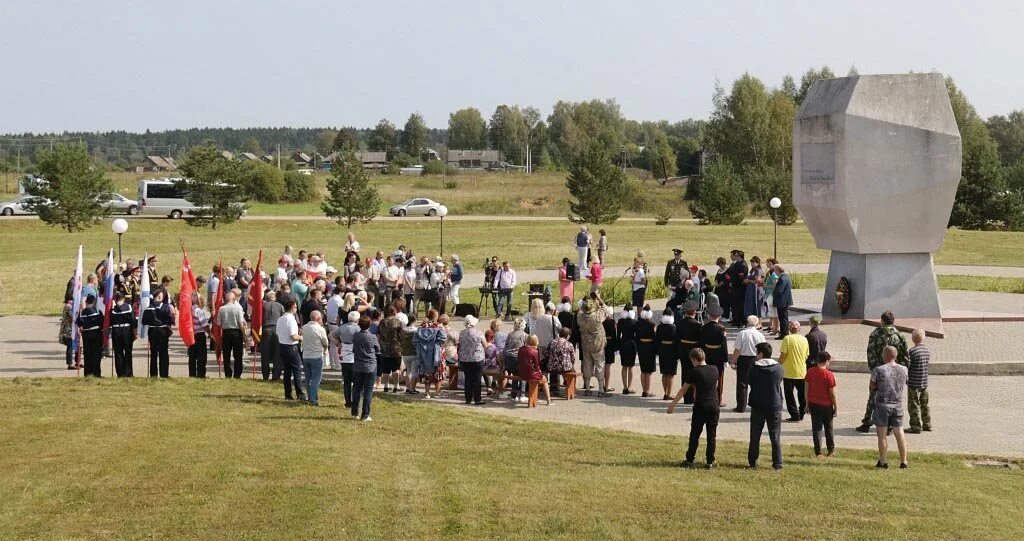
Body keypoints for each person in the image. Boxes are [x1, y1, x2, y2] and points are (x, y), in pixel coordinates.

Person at [857, 311, 910, 432]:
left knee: (873, 397)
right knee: (892, 398)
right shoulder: (900, 336)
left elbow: (870, 353)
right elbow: (905, 356)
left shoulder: (875, 334)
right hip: (895, 372)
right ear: (893, 321)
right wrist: (901, 371)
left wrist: (874, 369)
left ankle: (867, 422)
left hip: (879, 371)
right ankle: (890, 425)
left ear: (882, 320)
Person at [668, 349, 721, 469]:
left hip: (701, 405)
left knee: (695, 434)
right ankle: (710, 461)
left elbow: (683, 389)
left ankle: (690, 459)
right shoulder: (715, 369)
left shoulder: (694, 372)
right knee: (711, 435)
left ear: (694, 359)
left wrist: (673, 404)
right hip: (714, 405)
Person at [747, 341, 784, 470]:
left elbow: (749, 381)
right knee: (775, 436)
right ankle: (777, 463)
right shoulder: (778, 368)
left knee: (755, 435)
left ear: (761, 354)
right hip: (774, 405)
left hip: (758, 405)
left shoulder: (754, 368)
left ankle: (752, 461)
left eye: (757, 353)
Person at [871, 346, 910, 469]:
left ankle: (883, 461)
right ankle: (904, 461)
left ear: (885, 356)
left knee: (881, 435)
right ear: (895, 356)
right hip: (898, 404)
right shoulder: (904, 369)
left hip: (882, 405)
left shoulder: (878, 369)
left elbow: (872, 386)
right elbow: (906, 382)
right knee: (899, 433)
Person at [730, 315, 766, 413]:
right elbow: (764, 350)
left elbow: (737, 349)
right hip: (756, 359)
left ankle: (741, 406)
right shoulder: (760, 335)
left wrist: (733, 361)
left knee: (742, 384)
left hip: (743, 359)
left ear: (747, 323)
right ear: (757, 324)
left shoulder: (742, 333)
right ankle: (756, 405)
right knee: (756, 383)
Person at [806, 351, 838, 457]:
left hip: (813, 403)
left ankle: (818, 451)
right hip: (826, 405)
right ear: (827, 361)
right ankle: (831, 450)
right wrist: (835, 407)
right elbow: (832, 393)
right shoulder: (829, 375)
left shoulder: (810, 371)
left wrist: (807, 404)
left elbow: (806, 389)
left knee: (816, 428)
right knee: (828, 428)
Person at [577, 298, 608, 397]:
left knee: (587, 365)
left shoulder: (580, 317)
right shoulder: (598, 316)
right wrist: (598, 300)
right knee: (599, 365)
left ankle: (587, 388)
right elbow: (605, 309)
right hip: (597, 345)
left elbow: (580, 310)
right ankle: (601, 389)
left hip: (586, 344)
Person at [351, 316, 381, 421]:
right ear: (369, 325)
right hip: (370, 366)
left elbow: (354, 349)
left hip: (358, 365)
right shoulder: (372, 337)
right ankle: (365, 414)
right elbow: (378, 349)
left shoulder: (355, 336)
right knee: (368, 391)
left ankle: (354, 412)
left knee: (357, 389)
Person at [779, 321, 809, 421]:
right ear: (799, 329)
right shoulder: (804, 339)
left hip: (788, 372)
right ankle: (801, 413)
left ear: (789, 329)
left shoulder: (787, 339)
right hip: (801, 371)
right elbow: (806, 355)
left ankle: (794, 415)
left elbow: (783, 355)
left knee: (789, 395)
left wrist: (778, 364)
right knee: (802, 394)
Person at [413, 309, 447, 399]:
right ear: (436, 316)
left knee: (426, 373)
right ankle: (437, 393)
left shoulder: (421, 327)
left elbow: (415, 341)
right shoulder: (439, 326)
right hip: (436, 353)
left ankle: (427, 393)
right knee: (437, 373)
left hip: (423, 354)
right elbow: (443, 339)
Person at [699, 305, 729, 406]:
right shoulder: (721, 328)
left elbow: (701, 342)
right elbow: (724, 345)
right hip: (718, 356)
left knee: (706, 377)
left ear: (709, 316)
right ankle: (718, 399)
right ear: (719, 316)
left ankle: (705, 397)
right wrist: (725, 359)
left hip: (707, 354)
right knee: (719, 378)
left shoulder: (704, 328)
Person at [276, 299, 305, 401]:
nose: (296, 309)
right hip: (291, 346)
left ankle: (288, 394)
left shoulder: (280, 319)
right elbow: (293, 336)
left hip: (282, 346)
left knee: (287, 372)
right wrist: (302, 337)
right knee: (296, 371)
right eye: (296, 307)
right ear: (292, 307)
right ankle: (300, 393)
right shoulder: (291, 319)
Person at [674, 302, 702, 404]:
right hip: (694, 352)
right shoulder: (698, 325)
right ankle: (693, 396)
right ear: (694, 312)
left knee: (684, 374)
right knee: (695, 374)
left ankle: (686, 397)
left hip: (683, 350)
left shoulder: (680, 323)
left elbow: (677, 338)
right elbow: (700, 340)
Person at [142, 289, 174, 378]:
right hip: (163, 331)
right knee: (163, 352)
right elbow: (171, 320)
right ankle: (164, 374)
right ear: (159, 297)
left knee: (154, 353)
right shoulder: (166, 307)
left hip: (152, 331)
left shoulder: (149, 308)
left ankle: (153, 374)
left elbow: (144, 321)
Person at [331, 311, 361, 406]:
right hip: (354, 354)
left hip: (344, 354)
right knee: (356, 380)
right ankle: (355, 400)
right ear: (357, 319)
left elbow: (331, 335)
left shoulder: (343, 327)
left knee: (346, 380)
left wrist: (338, 343)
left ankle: (347, 401)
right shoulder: (358, 328)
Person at [301, 310, 329, 406]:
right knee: (316, 379)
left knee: (308, 378)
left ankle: (310, 397)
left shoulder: (304, 327)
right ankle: (313, 399)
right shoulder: (320, 329)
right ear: (318, 319)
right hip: (316, 356)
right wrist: (325, 349)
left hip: (305, 355)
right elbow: (325, 342)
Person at [906, 329, 932, 434]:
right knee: (925, 404)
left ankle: (915, 426)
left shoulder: (911, 352)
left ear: (912, 339)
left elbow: (908, 366)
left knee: (913, 405)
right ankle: (927, 424)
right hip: (924, 382)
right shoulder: (927, 350)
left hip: (913, 382)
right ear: (924, 338)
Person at [217, 290, 247, 378]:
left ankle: (228, 373)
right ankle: (237, 374)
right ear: (234, 299)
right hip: (237, 332)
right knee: (238, 355)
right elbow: (241, 323)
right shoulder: (238, 308)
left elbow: (219, 323)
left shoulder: (221, 309)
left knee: (226, 354)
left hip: (226, 333)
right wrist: (244, 335)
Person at [458, 315, 486, 405]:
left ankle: (468, 399)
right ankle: (477, 399)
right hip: (477, 358)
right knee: (477, 379)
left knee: (468, 379)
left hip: (465, 359)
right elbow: (485, 345)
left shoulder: (462, 333)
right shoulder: (479, 333)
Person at [518, 334, 552, 406]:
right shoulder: (535, 351)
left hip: (521, 373)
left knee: (535, 379)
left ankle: (534, 398)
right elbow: (537, 365)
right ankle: (549, 400)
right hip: (531, 374)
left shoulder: (521, 349)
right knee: (545, 380)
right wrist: (540, 372)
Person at [109, 291, 137, 377]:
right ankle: (128, 373)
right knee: (128, 352)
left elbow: (110, 321)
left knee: (118, 353)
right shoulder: (128, 307)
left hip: (116, 331)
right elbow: (132, 320)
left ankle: (120, 373)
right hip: (126, 331)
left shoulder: (112, 309)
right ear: (124, 298)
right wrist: (134, 330)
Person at [76, 294, 104, 377]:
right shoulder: (98, 311)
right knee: (97, 354)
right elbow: (102, 323)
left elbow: (79, 323)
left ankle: (88, 373)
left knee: (88, 354)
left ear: (86, 301)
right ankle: (96, 373)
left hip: (86, 334)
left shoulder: (82, 312)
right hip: (96, 333)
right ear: (94, 302)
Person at [502, 319, 529, 402]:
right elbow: (527, 348)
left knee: (515, 375)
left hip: (508, 357)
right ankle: (522, 394)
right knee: (523, 375)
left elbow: (505, 346)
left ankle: (514, 395)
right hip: (517, 358)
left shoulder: (510, 335)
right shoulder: (525, 335)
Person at [261, 290, 285, 380]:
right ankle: (276, 375)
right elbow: (283, 319)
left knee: (265, 354)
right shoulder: (280, 306)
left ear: (266, 298)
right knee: (277, 354)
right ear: (274, 298)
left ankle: (265, 375)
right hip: (277, 330)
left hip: (265, 330)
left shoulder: (263, 306)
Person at [655, 308, 677, 400]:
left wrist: (657, 351)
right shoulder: (674, 327)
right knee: (670, 374)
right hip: (672, 351)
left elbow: (657, 339)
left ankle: (665, 392)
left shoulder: (660, 327)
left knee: (664, 373)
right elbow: (677, 340)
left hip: (662, 350)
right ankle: (669, 393)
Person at [616, 305, 638, 395]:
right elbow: (637, 335)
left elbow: (618, 336)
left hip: (623, 344)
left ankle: (624, 387)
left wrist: (617, 346)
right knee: (631, 367)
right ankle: (630, 387)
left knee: (624, 366)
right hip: (632, 345)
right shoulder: (634, 322)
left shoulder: (620, 321)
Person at [636, 306, 657, 397]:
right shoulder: (652, 324)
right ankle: (647, 391)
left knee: (643, 370)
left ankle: (644, 390)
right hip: (650, 348)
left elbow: (636, 337)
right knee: (649, 371)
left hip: (641, 347)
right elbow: (655, 338)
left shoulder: (638, 324)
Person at [188, 296, 210, 378]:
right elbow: (204, 325)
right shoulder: (199, 311)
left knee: (192, 356)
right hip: (200, 335)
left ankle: (192, 374)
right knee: (201, 356)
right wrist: (210, 334)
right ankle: (201, 374)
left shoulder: (189, 310)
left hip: (191, 334)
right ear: (200, 302)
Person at [725, 250, 748, 327]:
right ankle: (737, 320)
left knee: (740, 306)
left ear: (739, 256)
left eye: (737, 255)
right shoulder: (738, 264)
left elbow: (741, 277)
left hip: (740, 288)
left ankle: (742, 321)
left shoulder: (743, 265)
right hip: (736, 287)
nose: (735, 257)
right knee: (736, 305)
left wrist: (733, 282)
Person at [772, 264, 793, 339]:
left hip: (782, 301)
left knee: (782, 318)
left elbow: (779, 290)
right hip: (784, 301)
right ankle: (784, 332)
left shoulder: (782, 278)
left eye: (775, 270)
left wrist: (774, 290)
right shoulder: (785, 276)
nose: (774, 271)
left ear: (778, 270)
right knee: (783, 317)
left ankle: (784, 333)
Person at [601, 306, 617, 392]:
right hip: (610, 344)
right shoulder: (612, 321)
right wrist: (615, 346)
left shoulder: (601, 321)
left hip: (602, 343)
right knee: (607, 366)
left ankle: (602, 384)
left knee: (602, 366)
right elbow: (614, 335)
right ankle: (606, 385)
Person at [763, 260, 780, 335]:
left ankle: (776, 328)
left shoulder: (773, 274)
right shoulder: (771, 273)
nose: (768, 265)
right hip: (769, 294)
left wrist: (766, 285)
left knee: (774, 313)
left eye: (770, 264)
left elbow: (775, 285)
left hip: (771, 295)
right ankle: (773, 327)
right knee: (772, 312)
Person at [713, 257, 731, 321]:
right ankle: (721, 314)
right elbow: (716, 278)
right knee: (719, 302)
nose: (720, 266)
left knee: (725, 303)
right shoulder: (719, 270)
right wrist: (716, 283)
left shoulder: (728, 270)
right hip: (718, 289)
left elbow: (726, 280)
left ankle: (726, 316)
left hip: (725, 289)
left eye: (720, 264)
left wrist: (719, 284)